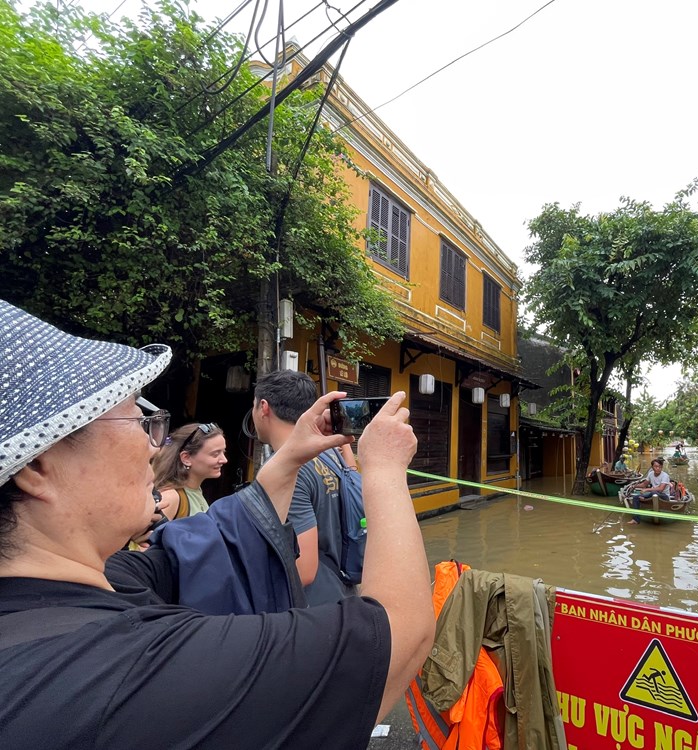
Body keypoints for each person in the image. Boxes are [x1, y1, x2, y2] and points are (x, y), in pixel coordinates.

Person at [0, 300, 434, 748]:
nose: (154, 446)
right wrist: (383, 470)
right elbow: (399, 634)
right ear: (38, 466)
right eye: (139, 421)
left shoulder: (99, 583)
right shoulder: (131, 675)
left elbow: (218, 538)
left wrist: (290, 456)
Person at [252, 369, 359, 606]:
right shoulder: (330, 453)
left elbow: (304, 569)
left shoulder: (287, 471)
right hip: (343, 593)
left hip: (310, 608)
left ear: (263, 408)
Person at [152, 421, 228, 519]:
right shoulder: (171, 498)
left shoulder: (195, 491)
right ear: (186, 458)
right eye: (215, 454)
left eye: (223, 452)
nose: (224, 460)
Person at [628, 458, 671, 525]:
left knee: (654, 493)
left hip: (664, 496)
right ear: (652, 467)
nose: (658, 468)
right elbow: (644, 484)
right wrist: (634, 486)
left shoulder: (665, 476)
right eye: (656, 466)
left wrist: (647, 489)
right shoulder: (651, 474)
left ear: (662, 467)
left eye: (660, 467)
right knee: (635, 498)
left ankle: (645, 498)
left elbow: (661, 489)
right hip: (652, 494)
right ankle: (635, 519)